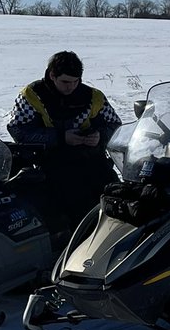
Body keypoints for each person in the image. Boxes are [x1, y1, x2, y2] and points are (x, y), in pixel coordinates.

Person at [7, 50, 122, 232]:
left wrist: (100, 136)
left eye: (76, 81)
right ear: (52, 75)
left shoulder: (93, 96)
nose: (71, 87)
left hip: (93, 159)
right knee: (74, 206)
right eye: (66, 82)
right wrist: (60, 138)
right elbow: (18, 130)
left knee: (118, 198)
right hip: (52, 162)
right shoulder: (32, 95)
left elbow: (115, 124)